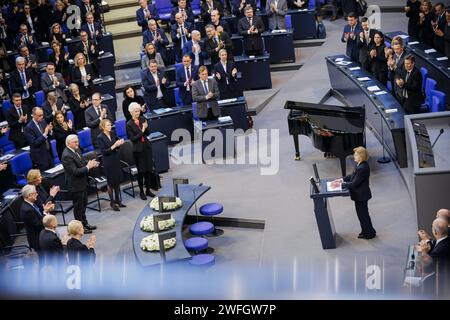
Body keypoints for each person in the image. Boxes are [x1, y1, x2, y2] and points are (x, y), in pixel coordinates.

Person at [331, 146, 376, 239]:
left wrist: (340, 185)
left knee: (363, 216)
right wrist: (341, 179)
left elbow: (354, 183)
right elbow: (352, 176)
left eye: (356, 154)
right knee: (362, 215)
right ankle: (366, 231)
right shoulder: (359, 164)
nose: (354, 156)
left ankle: (369, 234)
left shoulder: (362, 168)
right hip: (359, 195)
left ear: (361, 156)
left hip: (362, 196)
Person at [61, 134, 99, 233]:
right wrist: (88, 167)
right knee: (78, 208)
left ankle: (85, 223)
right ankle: (79, 228)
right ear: (68, 143)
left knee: (84, 204)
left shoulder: (76, 149)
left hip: (82, 183)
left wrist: (90, 163)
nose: (77, 143)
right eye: (75, 142)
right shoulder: (66, 156)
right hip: (75, 185)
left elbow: (81, 160)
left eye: (77, 141)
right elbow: (75, 171)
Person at [126, 103, 160, 200]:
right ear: (131, 112)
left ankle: (148, 190)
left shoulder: (142, 119)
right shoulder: (129, 124)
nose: (138, 113)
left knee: (149, 170)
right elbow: (133, 139)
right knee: (141, 171)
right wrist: (143, 129)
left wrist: (146, 127)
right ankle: (141, 191)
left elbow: (148, 133)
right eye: (136, 111)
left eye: (138, 111)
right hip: (138, 150)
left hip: (146, 147)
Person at [97, 119, 126, 211]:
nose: (110, 127)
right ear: (103, 127)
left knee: (117, 180)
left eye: (110, 125)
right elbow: (104, 152)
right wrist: (114, 146)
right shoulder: (100, 137)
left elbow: (117, 144)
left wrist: (120, 143)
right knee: (111, 183)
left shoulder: (113, 133)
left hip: (116, 159)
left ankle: (118, 200)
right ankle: (112, 202)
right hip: (108, 161)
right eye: (108, 125)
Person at [20, 184, 53, 252]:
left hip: (40, 235)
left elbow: (39, 215)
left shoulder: (31, 204)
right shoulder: (27, 210)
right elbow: (39, 225)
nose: (37, 194)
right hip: (38, 239)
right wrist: (45, 212)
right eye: (35, 193)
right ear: (29, 195)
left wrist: (45, 210)